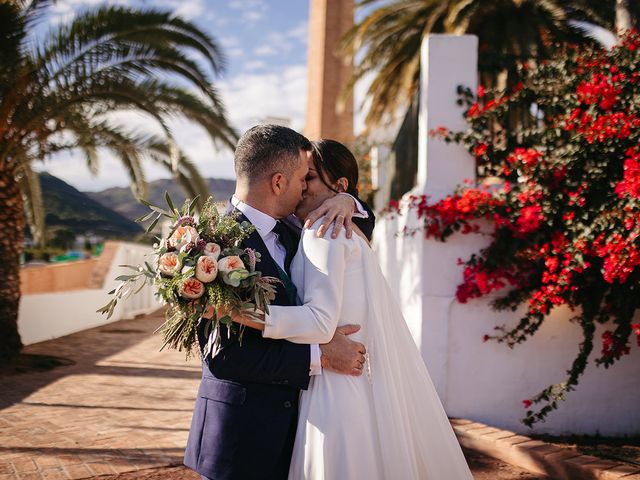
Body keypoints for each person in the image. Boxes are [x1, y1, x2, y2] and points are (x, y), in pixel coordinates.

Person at [231, 139, 474, 479]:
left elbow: (319, 321)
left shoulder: (324, 229)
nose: (301, 187)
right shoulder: (346, 228)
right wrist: (347, 200)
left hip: (332, 389)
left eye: (310, 178)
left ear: (340, 186)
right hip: (350, 383)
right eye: (302, 177)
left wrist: (242, 313)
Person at [183, 125, 376, 480]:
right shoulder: (210, 248)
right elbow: (225, 357)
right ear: (278, 182)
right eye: (304, 178)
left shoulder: (297, 228)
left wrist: (349, 200)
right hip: (241, 436)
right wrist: (321, 355)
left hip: (297, 430)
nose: (306, 187)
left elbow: (364, 222)